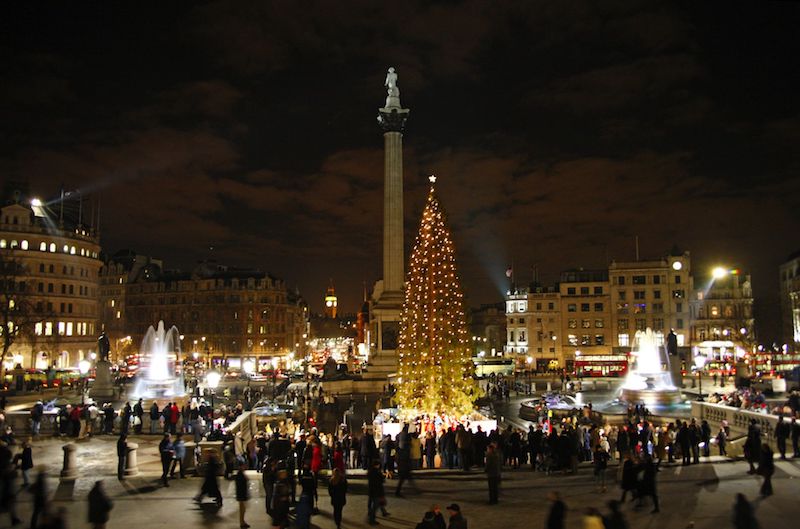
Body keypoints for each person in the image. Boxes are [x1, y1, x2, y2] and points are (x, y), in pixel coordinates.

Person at [367, 459, 389, 525]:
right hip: (377, 491)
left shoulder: (370, 472)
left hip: (372, 491)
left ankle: (383, 512)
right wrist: (384, 476)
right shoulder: (377, 472)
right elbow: (381, 481)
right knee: (376, 506)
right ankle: (371, 520)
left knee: (376, 504)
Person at [235, 462, 250, 529]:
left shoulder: (241, 473)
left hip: (241, 494)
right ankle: (242, 522)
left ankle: (242, 522)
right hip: (241, 494)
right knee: (242, 509)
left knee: (243, 509)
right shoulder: (240, 474)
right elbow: (241, 485)